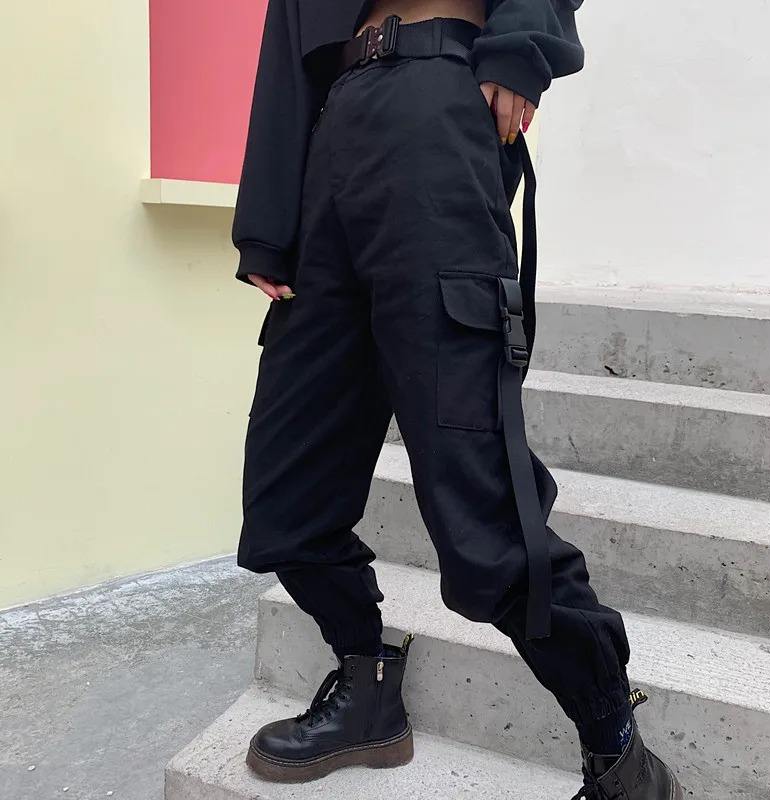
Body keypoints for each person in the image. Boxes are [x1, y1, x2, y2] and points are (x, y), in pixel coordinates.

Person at [231, 1, 683, 798]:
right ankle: (366, 683)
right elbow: (287, 31)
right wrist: (266, 221)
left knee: (480, 507)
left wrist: (521, 46)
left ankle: (620, 757)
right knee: (284, 496)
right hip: (332, 136)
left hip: (435, 108)